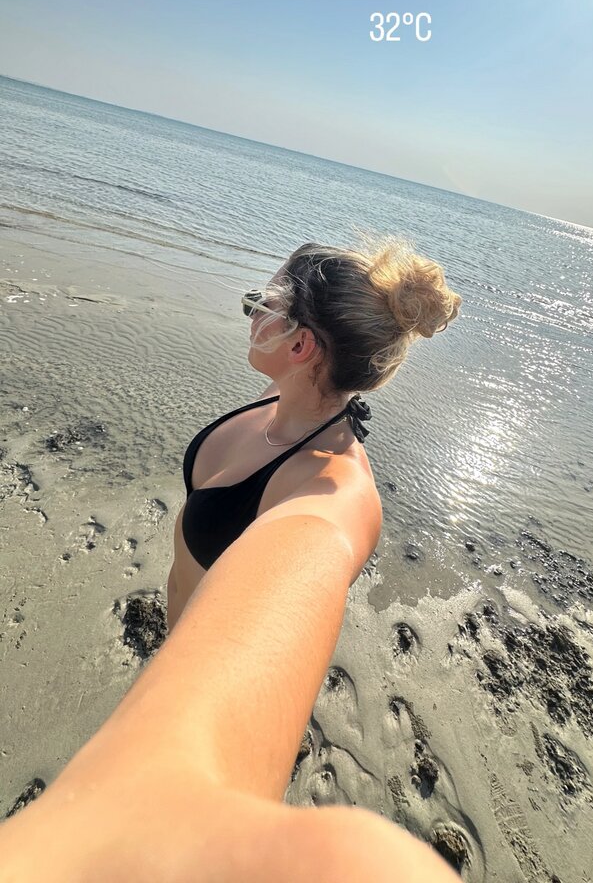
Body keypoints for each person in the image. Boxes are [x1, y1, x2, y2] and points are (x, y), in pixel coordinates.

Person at [0, 236, 462, 882]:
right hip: (182, 638)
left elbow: (301, 563)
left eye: (264, 302)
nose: (252, 310)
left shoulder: (333, 497)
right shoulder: (277, 406)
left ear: (300, 346)